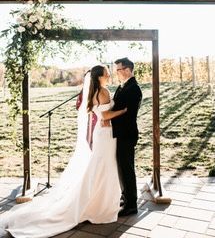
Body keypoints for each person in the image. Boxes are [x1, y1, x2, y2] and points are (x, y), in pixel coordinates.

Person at [0, 65, 127, 238]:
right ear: (99, 77)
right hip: (105, 135)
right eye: (106, 73)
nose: (109, 75)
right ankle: (98, 206)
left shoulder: (92, 92)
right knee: (104, 168)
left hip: (100, 133)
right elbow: (105, 116)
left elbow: (95, 114)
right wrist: (123, 111)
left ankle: (95, 202)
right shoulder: (103, 91)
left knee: (100, 168)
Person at [111, 58, 142, 217]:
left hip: (127, 134)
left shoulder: (134, 89)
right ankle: (125, 197)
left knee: (127, 169)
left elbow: (126, 113)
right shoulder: (122, 86)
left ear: (128, 70)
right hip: (120, 133)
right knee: (122, 168)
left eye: (118, 69)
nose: (116, 73)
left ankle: (131, 205)